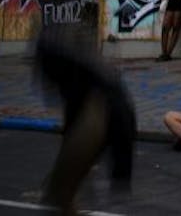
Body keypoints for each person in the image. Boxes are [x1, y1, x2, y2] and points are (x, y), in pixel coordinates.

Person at [35, 15, 136, 216]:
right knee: (60, 193)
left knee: (59, 193)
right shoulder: (86, 68)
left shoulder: (71, 70)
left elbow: (77, 115)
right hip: (111, 116)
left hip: (105, 115)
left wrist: (120, 169)